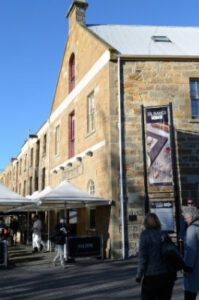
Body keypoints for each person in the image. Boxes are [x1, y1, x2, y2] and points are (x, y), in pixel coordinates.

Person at [136, 212, 176, 300]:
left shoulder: (144, 235)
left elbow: (143, 258)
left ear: (146, 222)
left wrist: (139, 275)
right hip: (165, 275)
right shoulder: (163, 234)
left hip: (150, 276)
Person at [183, 206, 199, 300]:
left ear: (192, 217)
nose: (185, 220)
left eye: (186, 218)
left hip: (194, 268)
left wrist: (187, 267)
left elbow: (191, 250)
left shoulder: (192, 229)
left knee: (189, 295)